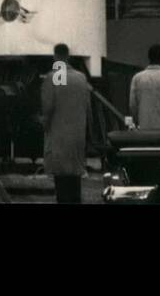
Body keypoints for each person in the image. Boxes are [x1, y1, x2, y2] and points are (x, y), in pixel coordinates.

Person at [40, 43, 92, 204]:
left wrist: (44, 124)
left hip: (59, 136)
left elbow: (48, 107)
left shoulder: (54, 77)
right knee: (75, 180)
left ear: (55, 57)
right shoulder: (81, 78)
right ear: (68, 56)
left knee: (61, 183)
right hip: (77, 136)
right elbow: (88, 108)